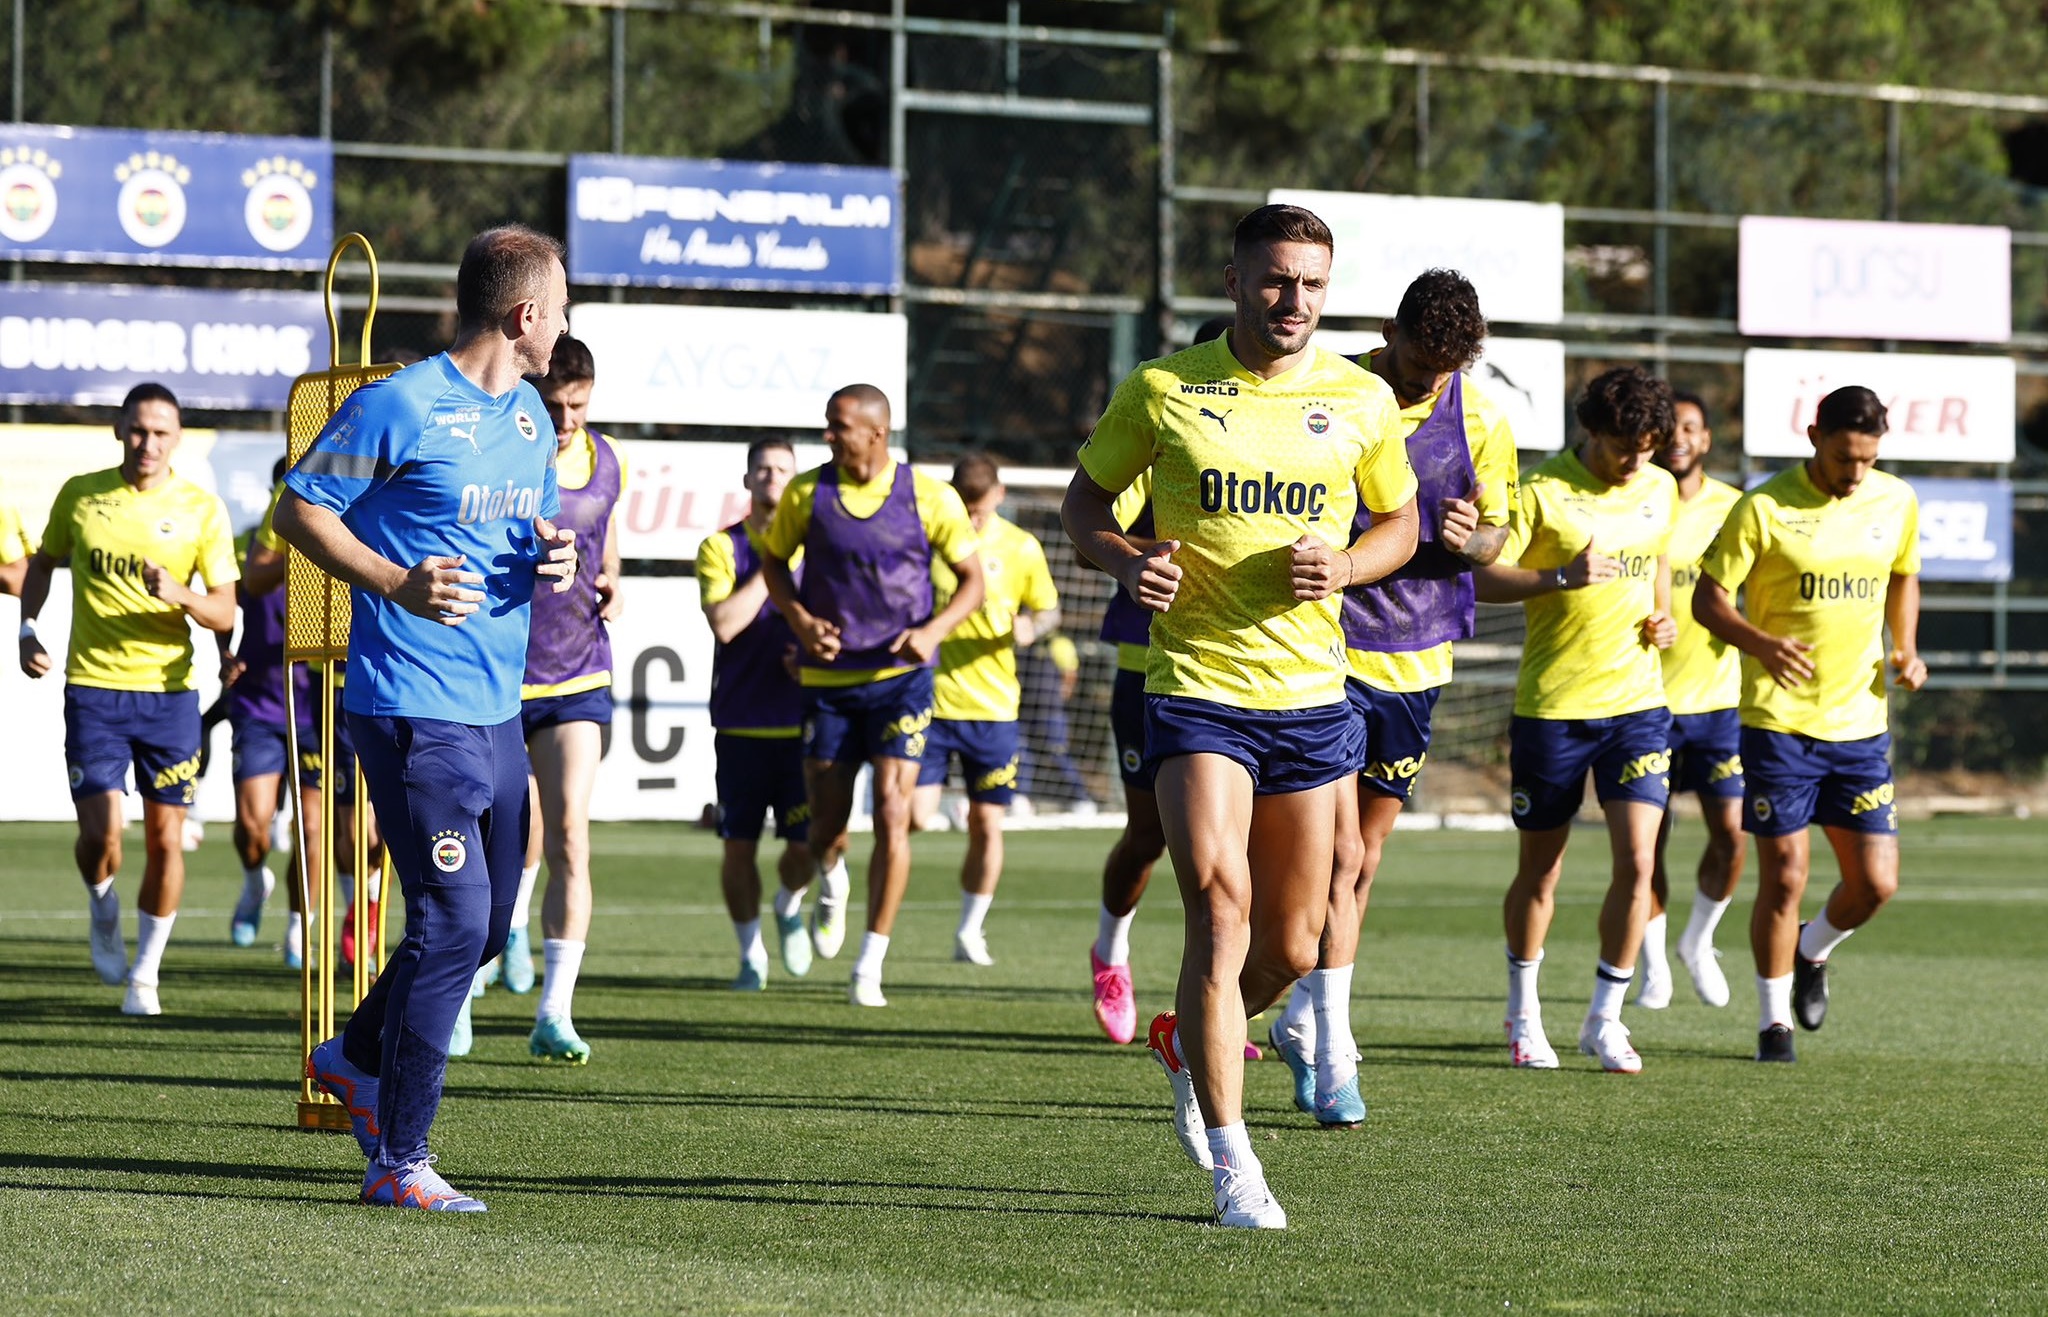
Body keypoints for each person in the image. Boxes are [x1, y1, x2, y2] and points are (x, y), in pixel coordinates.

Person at [1064, 202, 1418, 1230]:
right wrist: (1127, 558)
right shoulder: (1166, 387)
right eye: (1273, 280)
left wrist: (1350, 562)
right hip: (1194, 693)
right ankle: (1234, 1165)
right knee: (1219, 913)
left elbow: (1396, 520)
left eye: (1310, 283)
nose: (1293, 300)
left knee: (1295, 949)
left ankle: (1185, 1037)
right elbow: (1084, 507)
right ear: (1232, 281)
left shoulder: (1359, 400)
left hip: (1311, 699)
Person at [281, 223, 578, 1212]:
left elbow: (528, 529)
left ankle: (355, 1053)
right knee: (449, 925)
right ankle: (398, 1160)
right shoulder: (398, 402)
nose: (565, 323)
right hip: (411, 707)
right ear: (526, 314)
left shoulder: (534, 420)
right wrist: (393, 582)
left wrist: (556, 558)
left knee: (490, 925)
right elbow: (299, 512)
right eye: (562, 306)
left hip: (496, 709)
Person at [1269, 268, 1517, 1126]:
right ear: (1389, 331)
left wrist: (1471, 538)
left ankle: (1305, 1014)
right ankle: (1335, 1040)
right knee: (1334, 857)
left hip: (1417, 658)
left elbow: (1497, 533)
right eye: (1415, 363)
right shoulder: (1325, 388)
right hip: (1324, 647)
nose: (1424, 384)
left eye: (1443, 371)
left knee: (1363, 860)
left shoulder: (1481, 418)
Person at [1691, 385, 1924, 1064]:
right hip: (1778, 720)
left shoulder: (1895, 500)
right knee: (1786, 873)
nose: (1856, 472)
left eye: (1869, 458)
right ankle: (1772, 1024)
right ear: (1813, 435)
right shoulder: (1762, 506)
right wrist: (1760, 643)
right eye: (1846, 455)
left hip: (1861, 720)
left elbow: (1904, 574)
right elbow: (1710, 600)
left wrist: (1905, 646)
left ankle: (1812, 947)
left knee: (1877, 883)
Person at [1473, 366, 1679, 1074]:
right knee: (1542, 873)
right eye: (1627, 447)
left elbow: (1656, 563)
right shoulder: (1544, 492)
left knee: (1640, 862)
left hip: (1639, 707)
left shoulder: (1660, 486)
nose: (1638, 462)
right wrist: (1558, 576)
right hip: (1554, 709)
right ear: (1593, 431)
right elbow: (1482, 577)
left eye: (1650, 447)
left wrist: (1664, 614)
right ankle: (1523, 1014)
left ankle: (1605, 1018)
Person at [17, 384, 239, 1016]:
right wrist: (27, 629)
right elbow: (43, 562)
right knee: (102, 836)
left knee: (168, 840)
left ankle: (145, 974)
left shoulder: (201, 509)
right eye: (139, 430)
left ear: (177, 439)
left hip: (170, 698)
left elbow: (224, 608)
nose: (149, 443)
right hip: (93, 690)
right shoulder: (81, 495)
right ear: (120, 430)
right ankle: (103, 905)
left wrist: (182, 595)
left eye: (162, 433)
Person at [760, 384, 985, 1007]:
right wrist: (802, 622)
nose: (828, 436)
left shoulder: (929, 496)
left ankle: (870, 963)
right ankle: (820, 885)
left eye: (839, 426)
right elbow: (774, 565)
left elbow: (973, 583)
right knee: (825, 831)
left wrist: (935, 629)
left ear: (876, 433)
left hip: (900, 684)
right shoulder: (809, 493)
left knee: (893, 811)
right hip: (828, 688)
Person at [1085, 315, 1232, 1048]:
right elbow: (1090, 535)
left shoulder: (1294, 436)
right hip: (1153, 670)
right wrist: (1154, 554)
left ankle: (1215, 1005)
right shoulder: (1158, 428)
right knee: (1150, 838)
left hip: (1252, 674)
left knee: (1233, 859)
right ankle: (1111, 953)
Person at [911, 453, 1059, 965]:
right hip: (931, 699)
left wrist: (1031, 628)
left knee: (988, 826)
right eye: (964, 506)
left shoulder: (1021, 546)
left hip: (994, 708)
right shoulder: (933, 539)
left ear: (998, 494)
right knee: (911, 816)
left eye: (980, 505)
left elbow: (1048, 610)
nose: (972, 517)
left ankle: (970, 931)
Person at [223, 471, 364, 971]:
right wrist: (225, 654)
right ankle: (253, 878)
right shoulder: (255, 543)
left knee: (310, 828)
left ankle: (298, 929)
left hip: (313, 703)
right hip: (261, 700)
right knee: (252, 824)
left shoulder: (351, 538)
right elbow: (229, 599)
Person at [1639, 391, 1746, 1010]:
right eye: (1669, 427)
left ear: (1705, 439)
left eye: (1690, 427)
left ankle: (1698, 942)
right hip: (1645, 703)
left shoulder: (1736, 508)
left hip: (1719, 705)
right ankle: (1653, 965)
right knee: (1646, 844)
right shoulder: (1637, 499)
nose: (1678, 437)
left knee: (1731, 836)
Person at [700, 439, 815, 992]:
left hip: (805, 723)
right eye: (762, 470)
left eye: (783, 471)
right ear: (748, 481)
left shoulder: (817, 548)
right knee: (738, 846)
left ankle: (790, 903)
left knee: (807, 847)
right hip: (741, 722)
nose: (771, 479)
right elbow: (725, 622)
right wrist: (774, 566)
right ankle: (751, 955)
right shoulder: (721, 547)